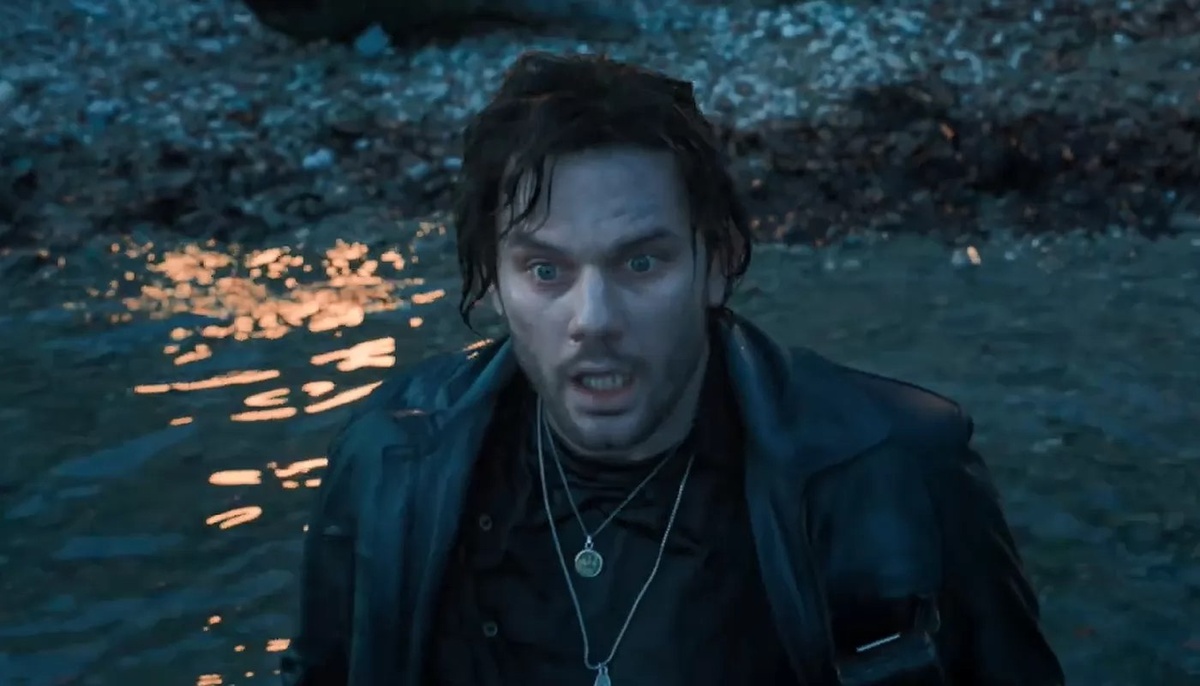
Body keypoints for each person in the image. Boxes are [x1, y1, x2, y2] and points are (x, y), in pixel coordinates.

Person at [280, 52, 1065, 686]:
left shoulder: (895, 470)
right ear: (492, 282)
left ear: (716, 263)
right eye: (546, 271)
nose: (594, 319)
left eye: (641, 262)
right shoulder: (389, 459)